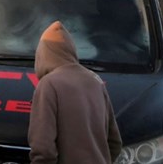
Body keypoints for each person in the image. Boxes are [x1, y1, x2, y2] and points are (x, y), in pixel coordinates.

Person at [28, 21, 122, 164]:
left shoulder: (48, 85)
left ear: (43, 54)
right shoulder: (96, 82)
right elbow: (115, 143)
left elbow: (43, 149)